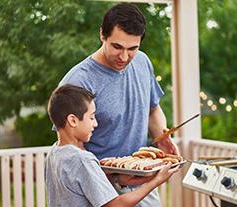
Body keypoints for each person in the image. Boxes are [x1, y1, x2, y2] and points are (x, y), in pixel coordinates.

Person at [58, 3, 178, 206]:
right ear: (102, 35)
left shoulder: (142, 62)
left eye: (132, 48)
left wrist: (162, 136)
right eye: (117, 47)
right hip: (101, 189)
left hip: (143, 181)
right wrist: (114, 178)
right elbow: (68, 145)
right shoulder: (78, 81)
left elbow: (153, 109)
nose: (124, 57)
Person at [45, 84, 179, 207]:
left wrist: (118, 179)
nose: (95, 124)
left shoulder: (53, 153)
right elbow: (115, 205)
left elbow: (81, 187)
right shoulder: (82, 160)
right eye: (91, 117)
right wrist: (156, 181)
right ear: (73, 120)